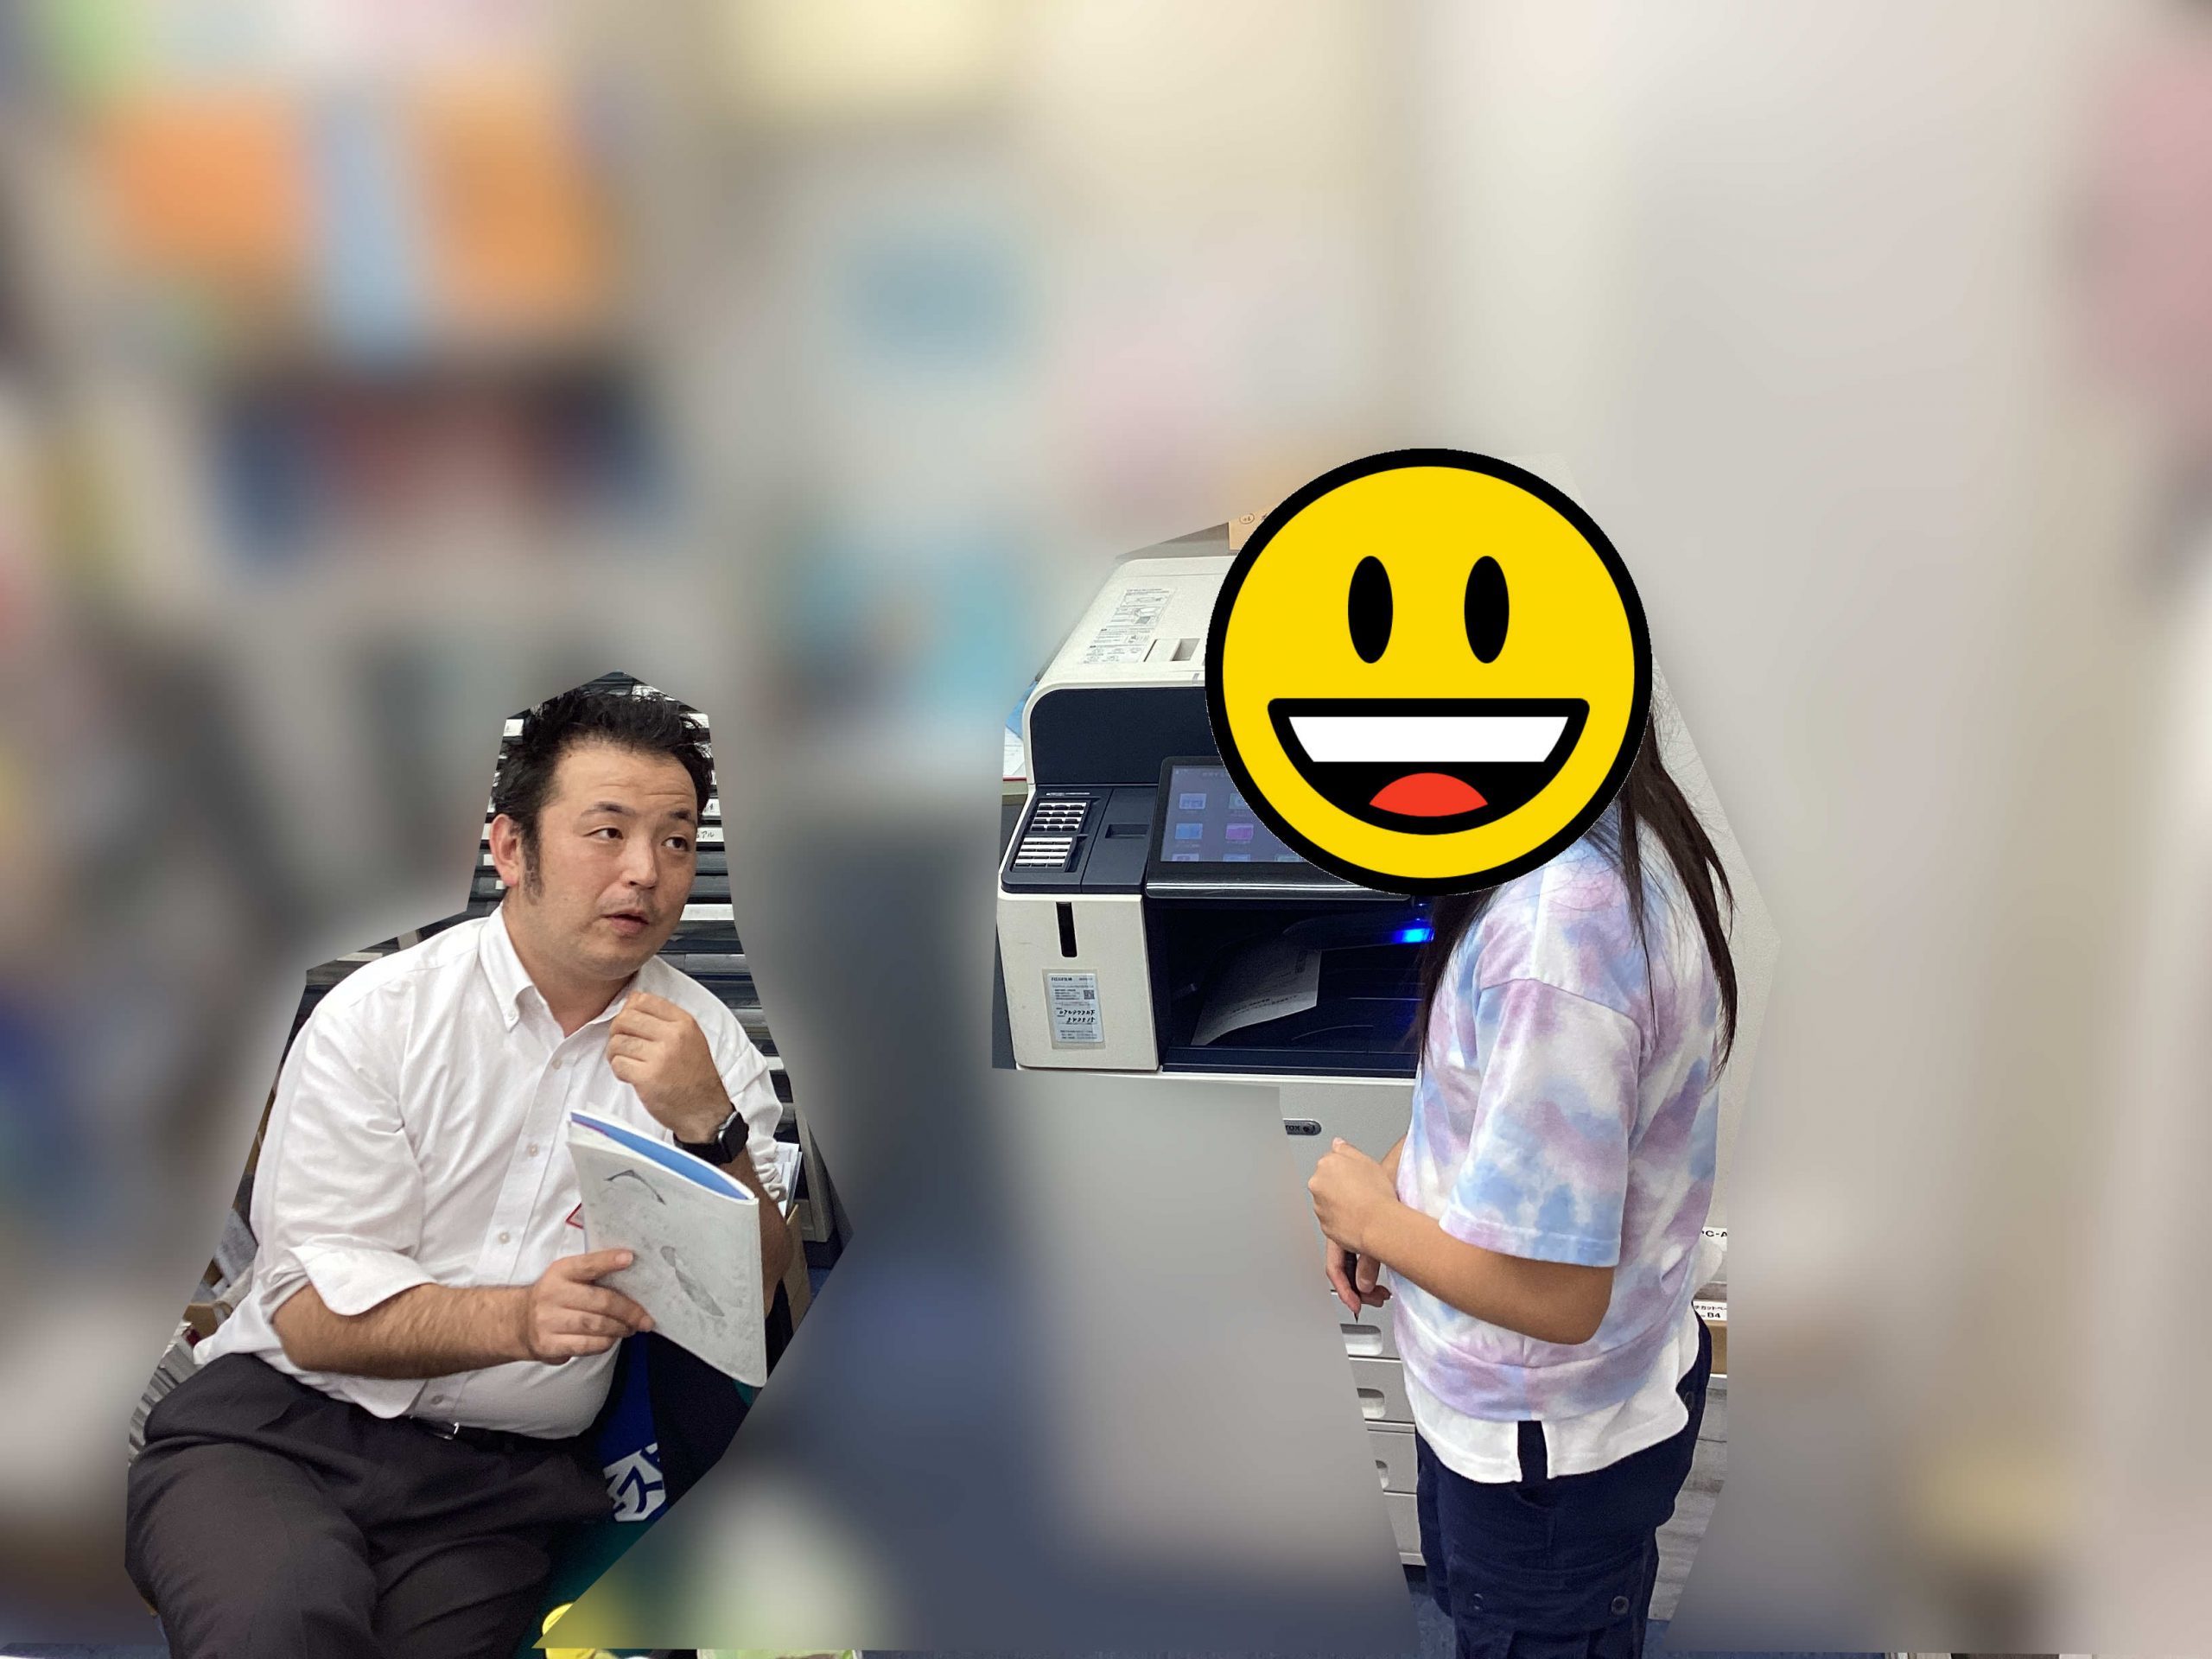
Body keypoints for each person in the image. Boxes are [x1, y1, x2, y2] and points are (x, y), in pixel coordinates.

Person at [125, 686, 795, 1659]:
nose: (646, 872)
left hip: (499, 1489)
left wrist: (712, 1125)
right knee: (285, 1622)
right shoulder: (382, 1016)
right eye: (606, 832)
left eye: (677, 841)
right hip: (280, 1433)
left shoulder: (708, 1045)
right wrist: (518, 1321)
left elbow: (752, 1295)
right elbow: (310, 1317)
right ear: (511, 848)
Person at [1307, 728, 1737, 1658]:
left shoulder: (1555, 937)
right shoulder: (1605, 831)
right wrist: (1394, 1178)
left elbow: (1559, 1299)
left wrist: (1374, 1217)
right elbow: (1488, 1101)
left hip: (1539, 1445)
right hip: (1552, 1414)